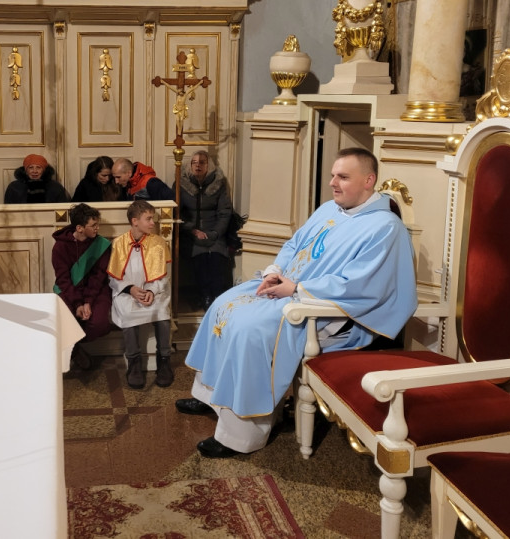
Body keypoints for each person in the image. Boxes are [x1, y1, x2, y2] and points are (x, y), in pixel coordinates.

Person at [176, 148, 417, 458]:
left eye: (343, 177)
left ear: (368, 181)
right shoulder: (330, 209)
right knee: (224, 305)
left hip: (326, 310)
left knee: (250, 330)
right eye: (333, 175)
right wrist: (274, 271)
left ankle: (241, 432)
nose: (332, 183)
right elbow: (294, 245)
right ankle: (210, 397)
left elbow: (361, 284)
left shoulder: (385, 228)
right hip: (289, 286)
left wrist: (297, 288)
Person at [107, 200, 173, 390]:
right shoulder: (119, 243)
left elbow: (164, 276)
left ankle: (164, 360)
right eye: (149, 219)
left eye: (153, 219)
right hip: (128, 293)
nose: (153, 223)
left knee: (162, 315)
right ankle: (134, 362)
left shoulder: (158, 243)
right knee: (128, 314)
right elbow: (113, 278)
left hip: (154, 292)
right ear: (135, 221)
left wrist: (151, 291)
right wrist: (131, 289)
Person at [52, 203, 113, 370]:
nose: (97, 228)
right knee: (63, 322)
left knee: (99, 323)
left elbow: (98, 277)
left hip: (95, 291)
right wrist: (78, 303)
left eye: (98, 224)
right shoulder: (60, 247)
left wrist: (87, 302)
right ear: (79, 228)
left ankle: (74, 345)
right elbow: (63, 280)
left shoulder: (101, 245)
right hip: (69, 291)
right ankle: (76, 351)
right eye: (93, 225)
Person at [178, 150, 234, 310]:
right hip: (191, 233)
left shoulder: (218, 183)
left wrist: (215, 233)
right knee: (201, 259)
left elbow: (225, 212)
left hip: (215, 232)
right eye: (194, 162)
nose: (198, 166)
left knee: (216, 258)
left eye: (202, 162)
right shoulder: (181, 183)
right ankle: (205, 296)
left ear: (209, 165)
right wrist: (192, 230)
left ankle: (217, 296)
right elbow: (178, 213)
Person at [3, 154, 70, 204]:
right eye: (31, 167)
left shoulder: (55, 187)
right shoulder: (14, 187)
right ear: (26, 170)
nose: (34, 171)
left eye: (38, 167)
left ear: (44, 170)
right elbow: (8, 211)